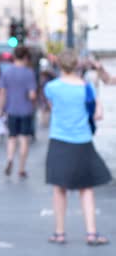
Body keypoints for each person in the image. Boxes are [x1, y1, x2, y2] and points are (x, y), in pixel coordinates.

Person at [44, 50, 111, 245]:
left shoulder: (51, 87)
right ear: (77, 65)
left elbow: (52, 107)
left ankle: (59, 233)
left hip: (59, 140)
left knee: (59, 189)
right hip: (82, 141)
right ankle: (91, 233)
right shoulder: (86, 87)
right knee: (86, 189)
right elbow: (97, 115)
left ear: (59, 66)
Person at [0, 46, 37, 178]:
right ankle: (21, 169)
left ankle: (9, 159)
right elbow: (32, 95)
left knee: (12, 137)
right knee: (24, 139)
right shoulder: (29, 73)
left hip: (11, 110)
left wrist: (0, 110)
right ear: (25, 57)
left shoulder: (6, 72)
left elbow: (2, 93)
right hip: (25, 110)